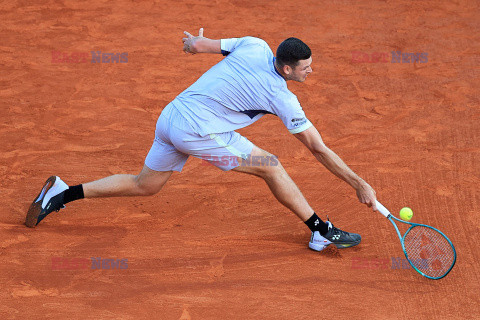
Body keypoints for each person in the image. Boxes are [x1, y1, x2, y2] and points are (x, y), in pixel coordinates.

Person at [26, 28, 377, 252]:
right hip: (195, 131)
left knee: (145, 185)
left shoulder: (255, 45)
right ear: (286, 69)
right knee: (270, 166)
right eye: (305, 68)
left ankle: (62, 192)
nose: (310, 71)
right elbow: (316, 147)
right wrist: (358, 183)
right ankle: (318, 230)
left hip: (171, 116)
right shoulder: (282, 97)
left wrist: (192, 44)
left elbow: (199, 44)